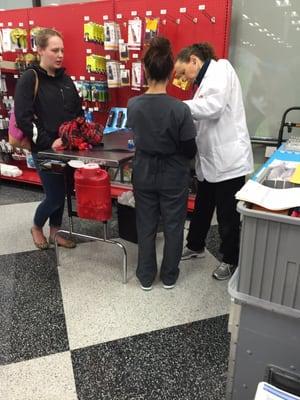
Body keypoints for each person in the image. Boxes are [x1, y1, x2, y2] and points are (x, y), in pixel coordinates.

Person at [174, 42, 254, 281]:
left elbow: (214, 107)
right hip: (210, 161)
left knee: (227, 215)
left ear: (194, 60)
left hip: (229, 162)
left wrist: (176, 107)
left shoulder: (221, 69)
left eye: (182, 72)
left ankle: (230, 259)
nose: (182, 79)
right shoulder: (202, 84)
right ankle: (195, 245)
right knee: (202, 206)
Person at [127, 37, 197, 290]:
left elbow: (135, 136)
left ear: (145, 70)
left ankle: (145, 276)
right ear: (170, 72)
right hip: (173, 174)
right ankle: (169, 275)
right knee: (173, 226)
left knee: (145, 225)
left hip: (143, 171)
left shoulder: (132, 105)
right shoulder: (180, 109)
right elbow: (190, 148)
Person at [14, 28, 83, 250]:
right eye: (55, 50)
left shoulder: (65, 79)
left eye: (62, 50)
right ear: (41, 50)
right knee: (54, 196)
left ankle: (55, 232)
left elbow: (77, 110)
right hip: (45, 149)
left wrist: (79, 131)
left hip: (68, 148)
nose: (60, 54)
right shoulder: (30, 78)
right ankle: (36, 226)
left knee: (63, 192)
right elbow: (24, 117)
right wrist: (47, 141)